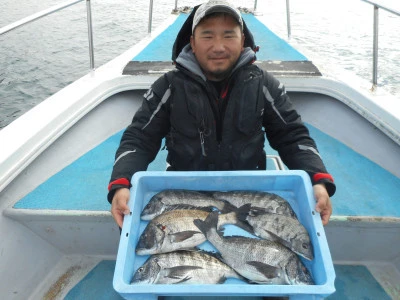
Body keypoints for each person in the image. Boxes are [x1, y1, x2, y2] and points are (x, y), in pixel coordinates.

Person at [107, 0, 336, 228]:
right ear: (193, 42)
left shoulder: (264, 84)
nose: (218, 47)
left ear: (242, 40)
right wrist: (122, 183)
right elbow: (139, 138)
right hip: (186, 195)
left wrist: (317, 179)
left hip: (248, 196)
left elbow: (292, 135)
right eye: (207, 36)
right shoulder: (167, 87)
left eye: (228, 35)